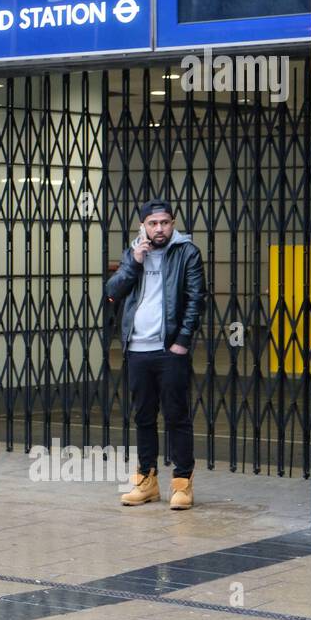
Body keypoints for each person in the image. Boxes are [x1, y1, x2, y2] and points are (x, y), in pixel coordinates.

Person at [105, 199, 208, 510]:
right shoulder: (134, 252)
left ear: (172, 223)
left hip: (168, 350)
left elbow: (195, 299)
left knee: (176, 417)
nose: (159, 228)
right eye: (153, 223)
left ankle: (182, 484)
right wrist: (135, 261)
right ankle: (146, 481)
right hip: (137, 349)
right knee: (143, 417)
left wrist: (182, 342)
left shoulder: (187, 252)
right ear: (143, 226)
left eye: (165, 222)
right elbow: (112, 291)